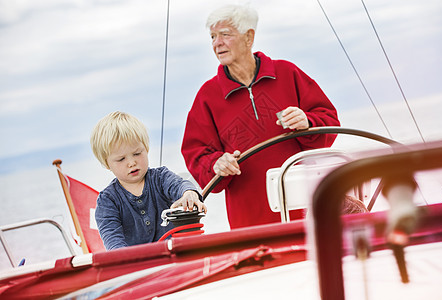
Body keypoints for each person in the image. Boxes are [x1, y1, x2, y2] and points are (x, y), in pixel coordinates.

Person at [181, 4, 340, 229]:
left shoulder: (287, 73)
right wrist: (216, 162)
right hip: (250, 224)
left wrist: (308, 122)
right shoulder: (207, 96)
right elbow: (195, 154)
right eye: (213, 37)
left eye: (225, 35)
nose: (217, 43)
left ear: (249, 37)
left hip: (308, 212)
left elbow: (330, 121)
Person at [91, 111, 206, 250]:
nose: (132, 162)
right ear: (107, 164)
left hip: (177, 256)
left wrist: (189, 193)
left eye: (137, 153)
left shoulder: (161, 177)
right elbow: (113, 242)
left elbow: (179, 185)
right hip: (139, 267)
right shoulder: (107, 201)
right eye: (121, 159)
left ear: (146, 149)